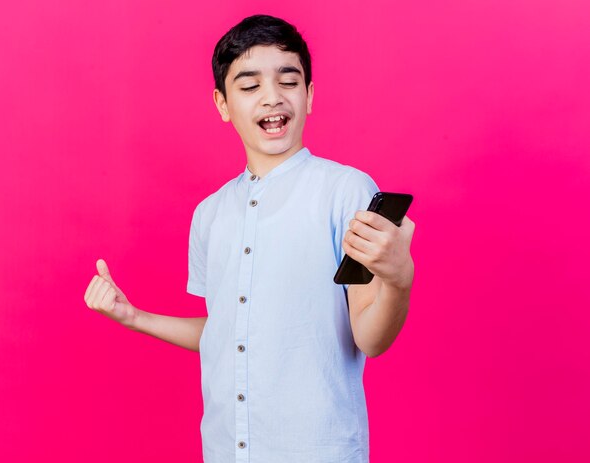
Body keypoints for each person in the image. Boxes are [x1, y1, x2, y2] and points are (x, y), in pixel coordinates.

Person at [84, 14, 415, 463]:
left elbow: (369, 337)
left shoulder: (347, 192)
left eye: (288, 80)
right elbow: (226, 332)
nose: (272, 97)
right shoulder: (210, 214)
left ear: (310, 95)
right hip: (225, 449)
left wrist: (398, 280)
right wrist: (133, 316)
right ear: (222, 103)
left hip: (317, 450)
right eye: (249, 85)